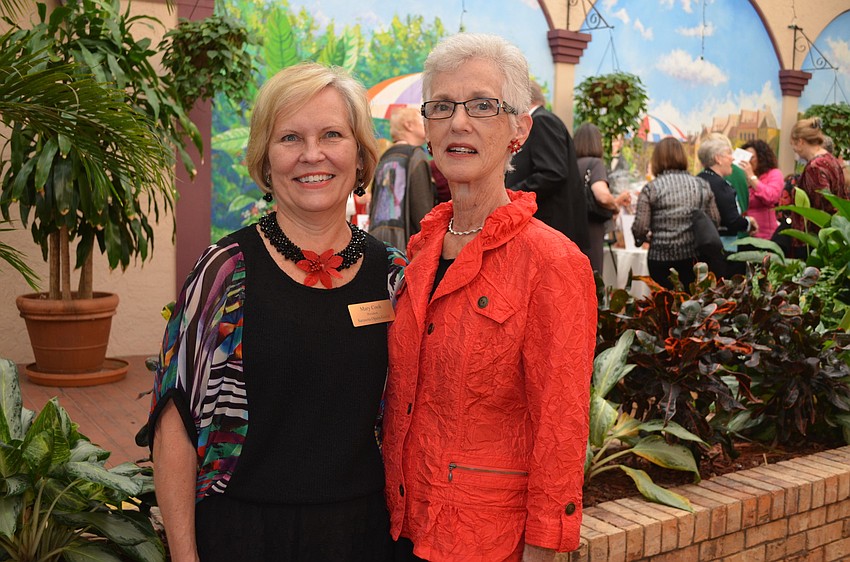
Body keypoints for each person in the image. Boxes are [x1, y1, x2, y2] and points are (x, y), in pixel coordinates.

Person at [147, 62, 405, 562]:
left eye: (332, 134)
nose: (313, 154)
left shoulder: (394, 278)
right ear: (266, 161)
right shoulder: (225, 272)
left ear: (359, 155)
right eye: (290, 137)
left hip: (366, 537)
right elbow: (173, 422)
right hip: (243, 536)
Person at [382, 33, 596, 562]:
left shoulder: (553, 262)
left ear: (519, 128)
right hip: (401, 523)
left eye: (482, 106)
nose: (459, 122)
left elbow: (560, 425)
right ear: (427, 126)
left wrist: (543, 548)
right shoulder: (423, 248)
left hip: (487, 541)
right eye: (442, 107)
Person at [505, 79, 590, 256]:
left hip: (550, 222)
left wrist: (511, 194)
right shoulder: (543, 120)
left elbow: (552, 172)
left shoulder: (542, 121)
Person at [632, 137, 721, 289]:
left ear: (657, 160)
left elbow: (640, 227)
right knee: (689, 305)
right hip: (693, 260)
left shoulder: (651, 188)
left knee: (664, 306)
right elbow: (715, 221)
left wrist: (641, 240)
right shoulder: (702, 185)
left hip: (660, 261)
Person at [368, 107, 437, 249]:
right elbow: (422, 208)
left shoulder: (384, 158)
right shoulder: (416, 156)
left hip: (377, 238)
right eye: (422, 120)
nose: (427, 124)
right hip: (405, 243)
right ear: (409, 125)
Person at [696, 136, 756, 276]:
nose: (732, 159)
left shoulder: (698, 179)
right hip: (721, 252)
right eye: (729, 154)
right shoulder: (721, 186)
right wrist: (749, 223)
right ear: (718, 158)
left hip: (699, 250)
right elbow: (732, 221)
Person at [573, 122, 629, 273]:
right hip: (591, 233)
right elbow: (602, 196)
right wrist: (616, 206)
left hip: (571, 230)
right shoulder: (595, 164)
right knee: (592, 279)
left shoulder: (570, 165)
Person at [789, 117, 848, 239]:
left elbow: (819, 209)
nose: (794, 150)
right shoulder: (831, 159)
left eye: (793, 144)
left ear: (800, 142)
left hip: (820, 239)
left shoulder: (814, 167)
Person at [738, 139, 783, 240]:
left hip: (765, 237)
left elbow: (772, 197)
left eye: (752, 157)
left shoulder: (774, 174)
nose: (748, 161)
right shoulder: (740, 177)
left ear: (761, 157)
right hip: (743, 236)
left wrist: (752, 177)